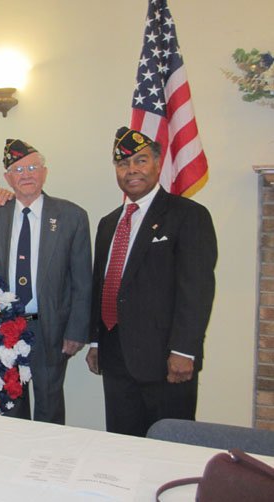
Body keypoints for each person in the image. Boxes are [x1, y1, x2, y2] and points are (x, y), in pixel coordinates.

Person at [86, 126, 217, 437]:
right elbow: (101, 285)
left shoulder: (188, 215)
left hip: (166, 361)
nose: (131, 170)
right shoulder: (108, 223)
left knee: (169, 446)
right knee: (123, 444)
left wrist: (185, 350)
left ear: (158, 164)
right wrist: (95, 341)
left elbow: (196, 289)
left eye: (140, 161)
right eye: (123, 164)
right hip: (116, 357)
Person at [0, 139, 92, 424]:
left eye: (32, 167)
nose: (26, 174)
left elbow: (82, 280)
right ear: (7, 178)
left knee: (50, 404)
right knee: (9, 405)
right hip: (6, 329)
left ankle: (49, 463)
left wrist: (77, 330)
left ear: (44, 172)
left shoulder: (72, 216)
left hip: (51, 327)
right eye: (18, 170)